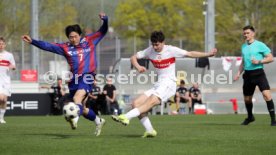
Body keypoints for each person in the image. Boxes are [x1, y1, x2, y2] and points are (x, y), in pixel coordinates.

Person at [112, 31, 217, 137]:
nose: (155, 47)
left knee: (151, 101)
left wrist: (208, 54)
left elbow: (190, 53)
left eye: (157, 44)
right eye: (153, 44)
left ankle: (127, 116)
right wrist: (138, 67)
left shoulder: (171, 50)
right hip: (159, 84)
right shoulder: (150, 50)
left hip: (169, 84)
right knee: (136, 103)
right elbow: (133, 58)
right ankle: (150, 130)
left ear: (163, 42)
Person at [22, 13, 108, 136]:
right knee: (82, 108)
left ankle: (74, 120)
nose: (73, 39)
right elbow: (48, 46)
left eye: (75, 36)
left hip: (88, 76)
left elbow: (102, 31)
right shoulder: (65, 47)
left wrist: (105, 20)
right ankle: (99, 121)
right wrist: (33, 41)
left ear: (80, 35)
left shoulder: (90, 41)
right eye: (70, 37)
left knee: (76, 98)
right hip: (74, 80)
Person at [234, 25, 276, 126]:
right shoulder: (243, 46)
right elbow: (243, 62)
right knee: (247, 99)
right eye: (244, 33)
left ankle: (273, 120)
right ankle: (250, 117)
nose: (245, 35)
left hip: (259, 73)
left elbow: (270, 58)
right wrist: (238, 73)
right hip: (248, 75)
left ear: (253, 33)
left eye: (248, 33)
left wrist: (259, 61)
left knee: (267, 95)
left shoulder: (260, 45)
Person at [0, 37, 16, 124]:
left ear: (5, 45)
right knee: (0, 98)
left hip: (6, 80)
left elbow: (14, 66)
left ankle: (1, 118)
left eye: (2, 44)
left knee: (4, 100)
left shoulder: (9, 55)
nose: (1, 45)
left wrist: (12, 67)